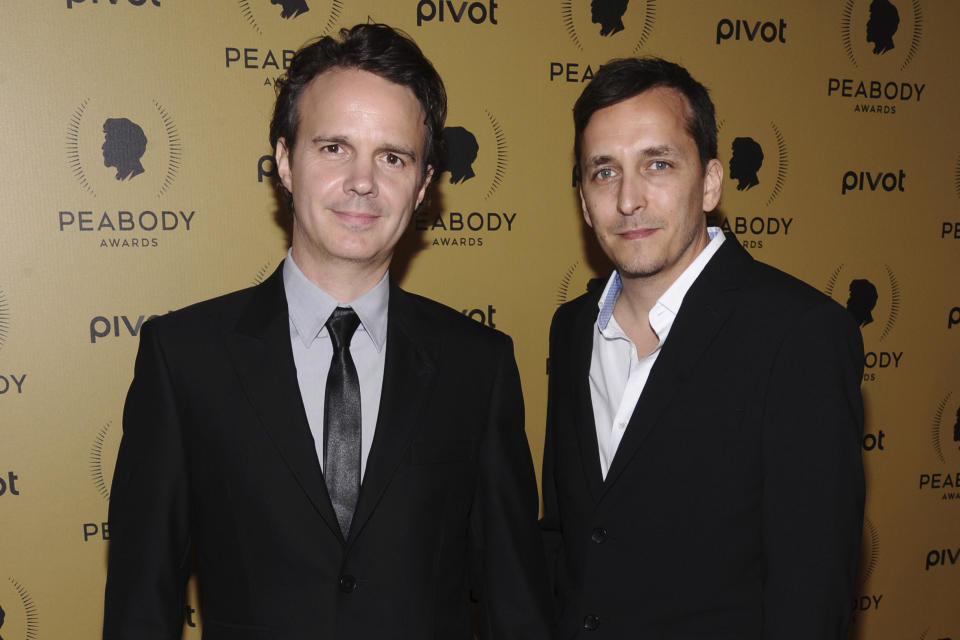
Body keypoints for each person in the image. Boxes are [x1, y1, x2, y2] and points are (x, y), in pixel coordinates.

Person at [103, 23, 552, 639]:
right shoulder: (184, 359)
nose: (362, 182)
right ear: (285, 160)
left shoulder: (479, 366)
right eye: (333, 148)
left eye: (392, 157)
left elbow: (515, 602)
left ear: (422, 186)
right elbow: (140, 608)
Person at [540, 56, 865, 639]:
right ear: (584, 200)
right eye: (604, 171)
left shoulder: (800, 334)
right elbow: (568, 538)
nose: (628, 199)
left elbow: (811, 596)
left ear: (710, 182)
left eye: (658, 164)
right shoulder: (570, 330)